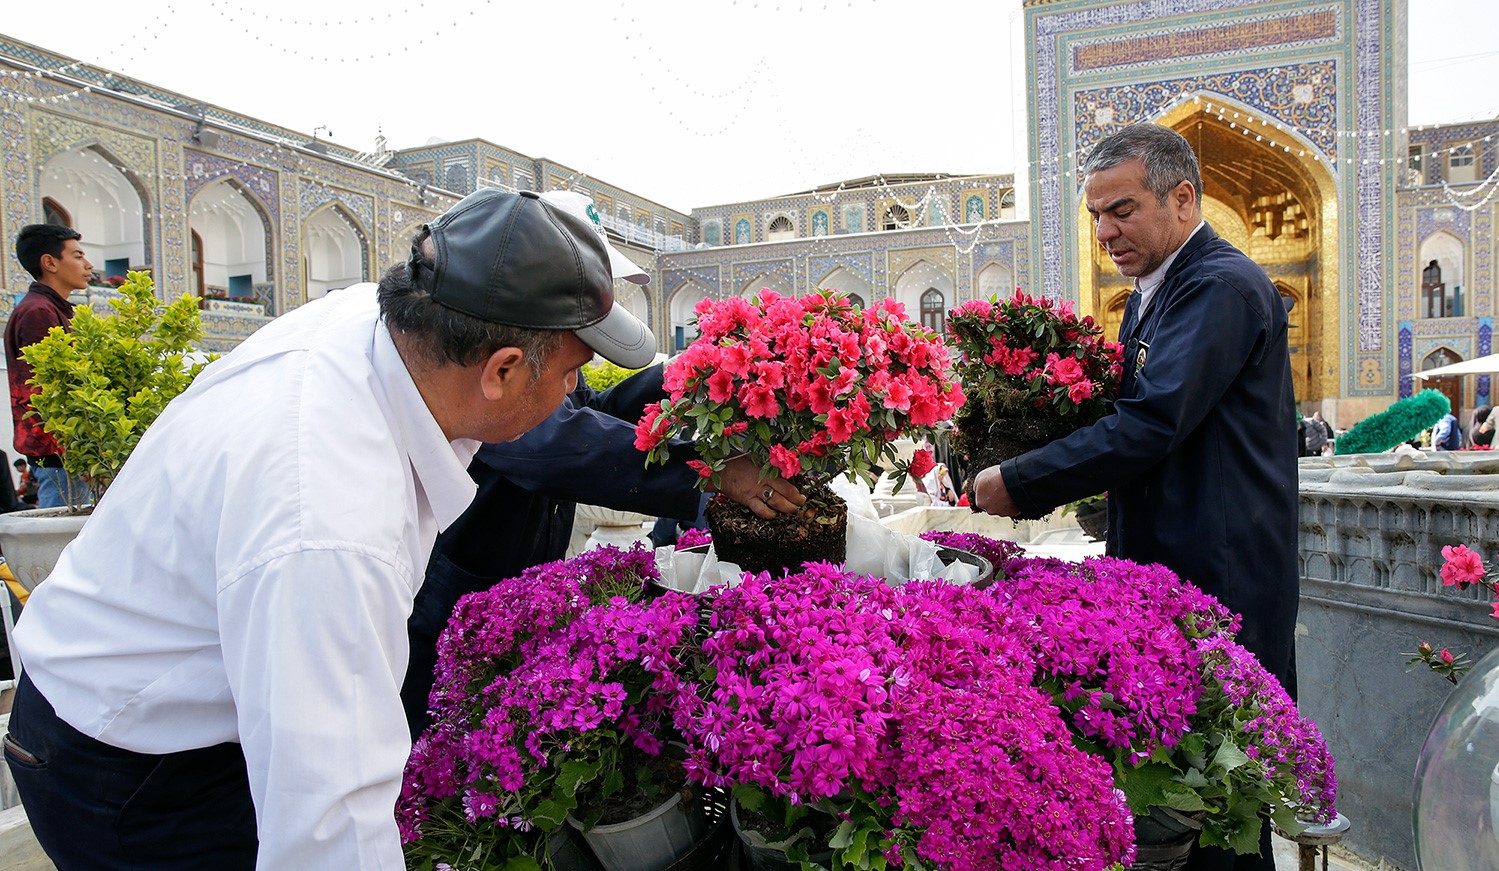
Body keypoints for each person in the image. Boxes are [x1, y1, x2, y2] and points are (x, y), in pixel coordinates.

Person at [3, 188, 659, 870]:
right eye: (569, 375)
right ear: (501, 369)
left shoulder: (382, 327)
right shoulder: (329, 515)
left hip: (154, 709)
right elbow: (327, 834)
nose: (570, 398)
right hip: (129, 773)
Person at [971, 123, 1296, 871]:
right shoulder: (1152, 295)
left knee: (1223, 801)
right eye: (1094, 215)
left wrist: (1017, 481)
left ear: (1182, 198)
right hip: (1169, 568)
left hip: (1223, 577)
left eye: (1120, 209)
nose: (1104, 231)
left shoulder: (1218, 285)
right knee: (1178, 791)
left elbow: (1149, 422)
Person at [6, 224, 93, 508]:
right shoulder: (38, 312)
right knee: (62, 543)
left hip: (67, 451)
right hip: (59, 452)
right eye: (78, 256)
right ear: (50, 262)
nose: (88, 265)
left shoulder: (52, 309)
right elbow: (48, 389)